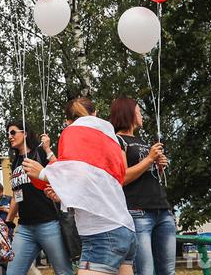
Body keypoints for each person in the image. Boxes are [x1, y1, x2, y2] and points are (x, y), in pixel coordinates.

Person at [23, 98, 137, 275]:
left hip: (102, 232)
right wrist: (63, 195)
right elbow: (100, 182)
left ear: (67, 121)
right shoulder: (111, 139)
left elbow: (74, 169)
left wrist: (43, 173)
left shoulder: (72, 132)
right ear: (95, 113)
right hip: (125, 228)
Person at [111, 98, 174, 275]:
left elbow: (148, 176)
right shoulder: (117, 140)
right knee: (145, 271)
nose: (141, 115)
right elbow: (121, 177)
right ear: (128, 113)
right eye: (138, 111)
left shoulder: (141, 140)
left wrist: (158, 167)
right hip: (138, 212)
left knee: (167, 271)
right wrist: (149, 159)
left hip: (162, 209)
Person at [4, 121, 73, 275]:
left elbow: (61, 172)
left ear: (25, 134)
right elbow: (17, 195)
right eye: (8, 133)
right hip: (24, 228)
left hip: (48, 224)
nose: (10, 136)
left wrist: (48, 149)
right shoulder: (15, 162)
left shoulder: (40, 153)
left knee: (63, 272)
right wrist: (8, 222)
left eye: (13, 132)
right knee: (12, 272)